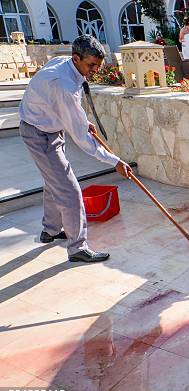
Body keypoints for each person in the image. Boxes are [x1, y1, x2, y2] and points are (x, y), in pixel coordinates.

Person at [19, 35, 133, 262]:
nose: (94, 70)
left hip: (48, 125)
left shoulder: (66, 66)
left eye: (97, 66)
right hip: (37, 132)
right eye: (91, 65)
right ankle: (77, 248)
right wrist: (115, 161)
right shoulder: (63, 86)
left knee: (55, 180)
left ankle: (50, 231)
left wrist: (80, 121)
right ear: (76, 58)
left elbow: (70, 111)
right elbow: (84, 142)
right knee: (69, 190)